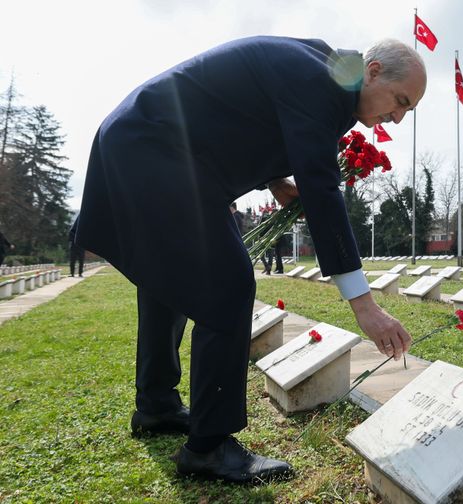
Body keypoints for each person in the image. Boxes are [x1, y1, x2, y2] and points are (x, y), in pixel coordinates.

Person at [74, 36, 424, 484]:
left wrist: (275, 179)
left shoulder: (325, 67)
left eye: (406, 111)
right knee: (228, 287)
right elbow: (322, 191)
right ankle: (210, 448)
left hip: (148, 143)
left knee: (172, 282)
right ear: (373, 71)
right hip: (157, 150)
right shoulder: (323, 83)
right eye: (399, 101)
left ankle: (156, 406)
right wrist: (364, 305)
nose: (395, 117)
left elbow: (244, 114)